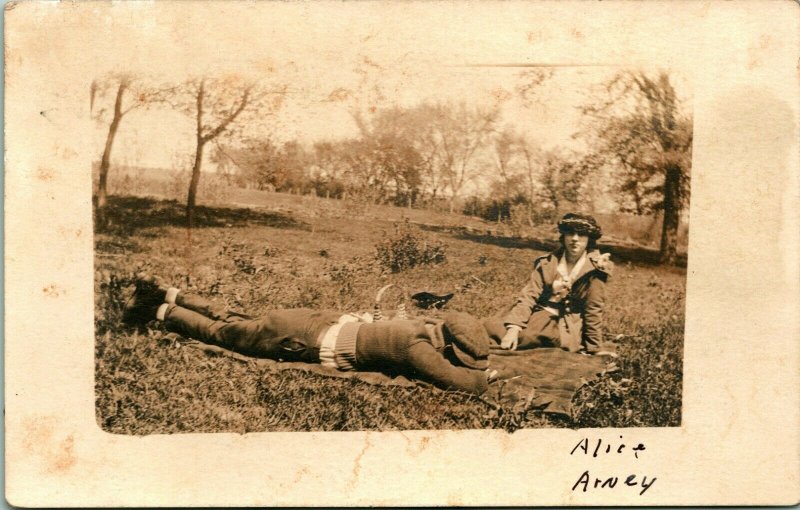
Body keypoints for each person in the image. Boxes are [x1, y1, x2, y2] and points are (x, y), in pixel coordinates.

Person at [123, 276, 493, 395]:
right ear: (445, 343)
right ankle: (159, 310)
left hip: (310, 321)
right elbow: (461, 383)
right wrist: (484, 376)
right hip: (303, 341)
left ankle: (172, 293)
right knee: (223, 333)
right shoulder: (416, 348)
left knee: (238, 318)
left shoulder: (415, 325)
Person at [484, 213, 614, 353]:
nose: (575, 239)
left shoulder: (595, 269)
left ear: (589, 239)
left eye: (581, 235)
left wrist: (594, 348)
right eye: (570, 233)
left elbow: (593, 309)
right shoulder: (547, 262)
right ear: (563, 236)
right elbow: (529, 296)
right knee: (491, 327)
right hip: (537, 312)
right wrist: (514, 328)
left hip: (562, 324)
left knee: (525, 337)